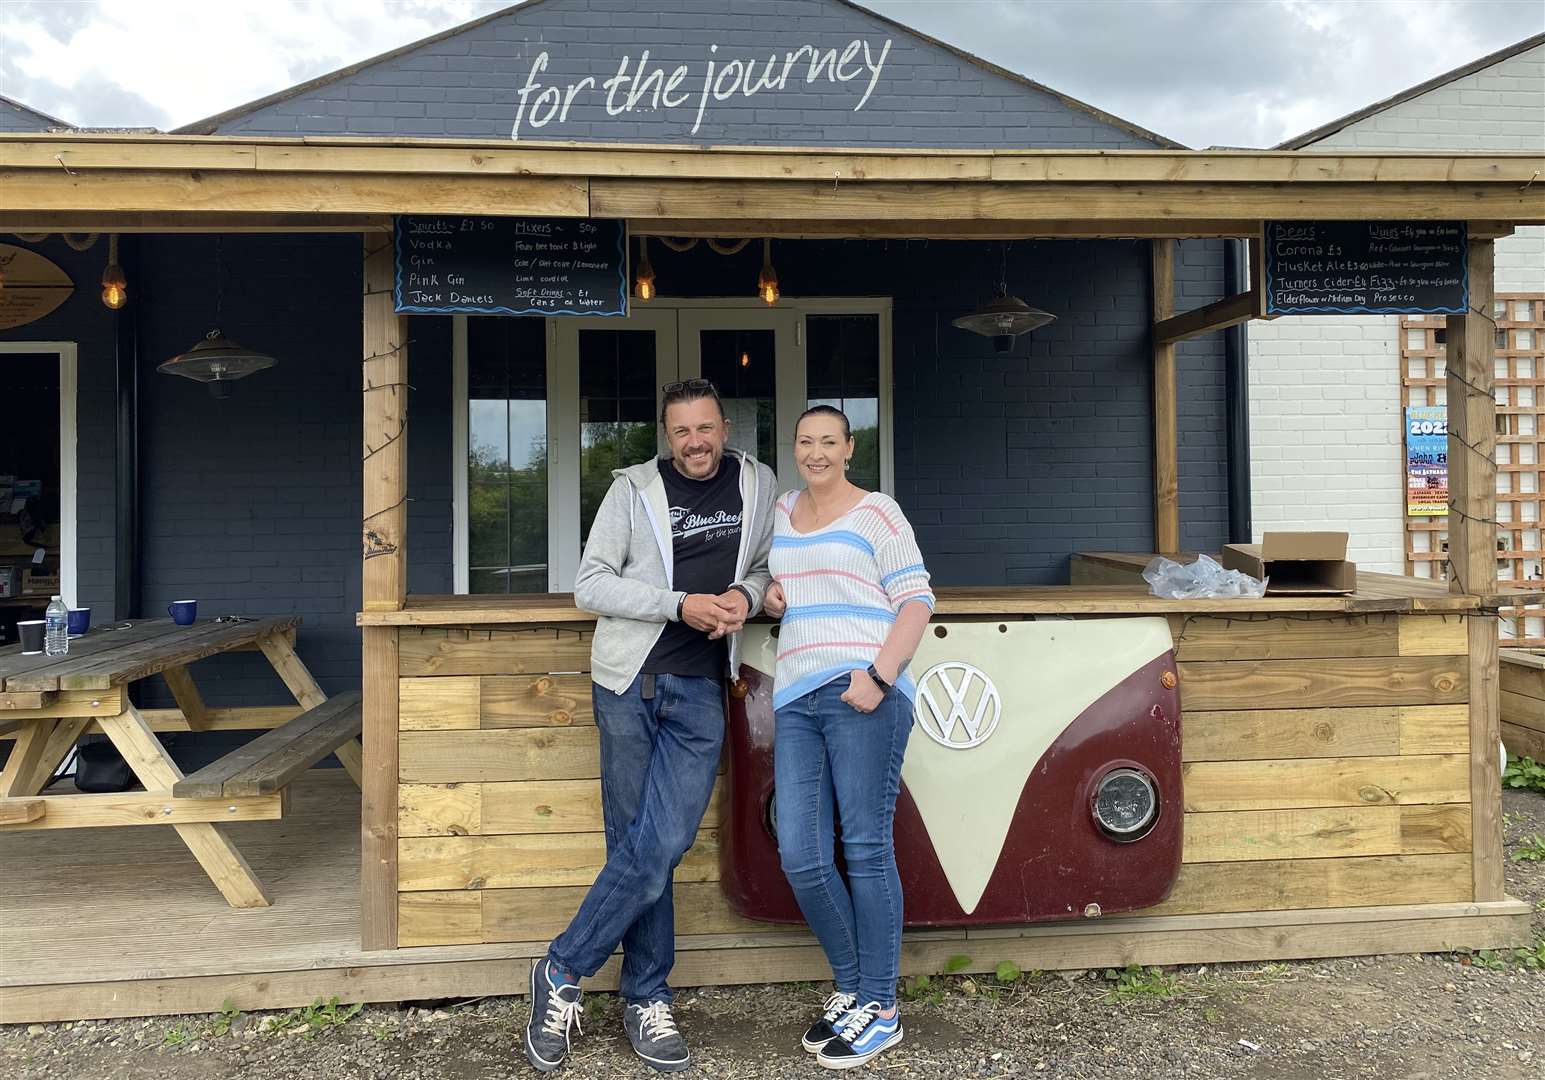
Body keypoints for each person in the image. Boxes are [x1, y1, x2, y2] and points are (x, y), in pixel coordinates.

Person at [524, 378, 776, 1074]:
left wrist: (741, 596)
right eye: (680, 432)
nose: (694, 443)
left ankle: (561, 966)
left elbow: (762, 569)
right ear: (667, 437)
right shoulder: (631, 489)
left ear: (725, 427)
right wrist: (679, 604)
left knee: (660, 842)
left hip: (700, 688)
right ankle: (644, 995)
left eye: (704, 428)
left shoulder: (757, 485)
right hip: (628, 682)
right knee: (637, 842)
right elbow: (590, 583)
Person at [761, 404, 934, 1070]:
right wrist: (775, 594)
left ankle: (881, 1008)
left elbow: (916, 599)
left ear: (849, 448)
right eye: (805, 442)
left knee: (863, 846)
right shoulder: (781, 511)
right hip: (797, 693)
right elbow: (780, 581)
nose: (815, 452)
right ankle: (853, 986)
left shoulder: (877, 512)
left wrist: (880, 676)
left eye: (828, 441)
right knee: (802, 855)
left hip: (863, 691)